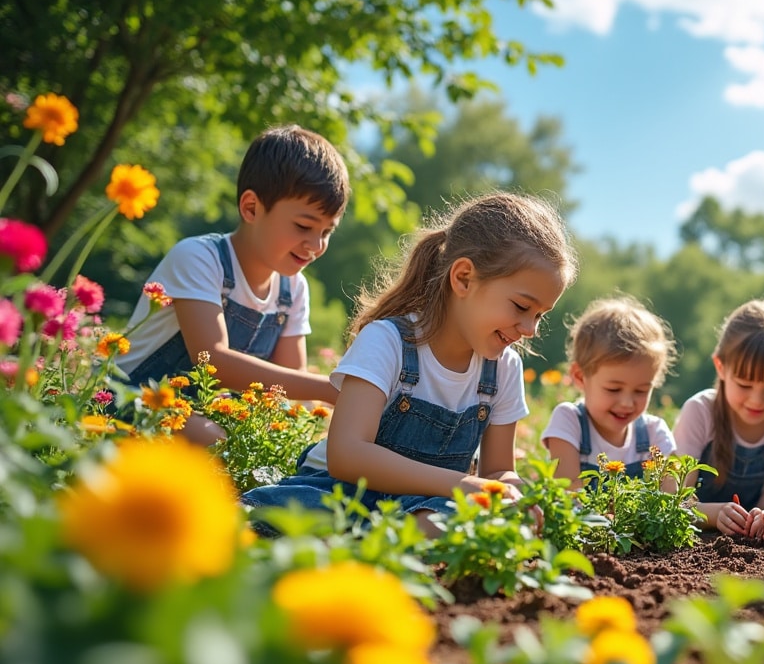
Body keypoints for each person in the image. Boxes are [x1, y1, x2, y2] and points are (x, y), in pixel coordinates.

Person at [242, 193, 577, 535]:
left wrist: (512, 492)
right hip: (337, 492)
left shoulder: (504, 369)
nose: (530, 329)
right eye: (521, 307)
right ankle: (365, 547)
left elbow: (497, 470)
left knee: (464, 522)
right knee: (279, 518)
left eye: (540, 315)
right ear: (463, 278)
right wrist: (460, 483)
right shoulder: (387, 341)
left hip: (423, 505)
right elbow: (346, 455)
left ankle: (364, 549)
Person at [116, 125, 349, 445]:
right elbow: (212, 361)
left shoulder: (293, 290)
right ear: (251, 208)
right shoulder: (199, 257)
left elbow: (291, 390)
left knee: (288, 446)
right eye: (303, 226)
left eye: (326, 232)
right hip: (134, 400)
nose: (316, 245)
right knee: (217, 440)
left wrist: (312, 429)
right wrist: (329, 388)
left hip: (208, 415)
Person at [672, 296, 764, 537]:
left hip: (750, 540)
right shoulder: (700, 412)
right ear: (721, 367)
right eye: (744, 385)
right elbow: (674, 499)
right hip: (694, 538)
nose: (756, 400)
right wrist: (713, 514)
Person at [541, 295, 677, 489]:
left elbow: (672, 498)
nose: (627, 403)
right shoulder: (569, 421)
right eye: (614, 389)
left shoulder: (654, 433)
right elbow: (568, 494)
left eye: (641, 390)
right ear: (580, 377)